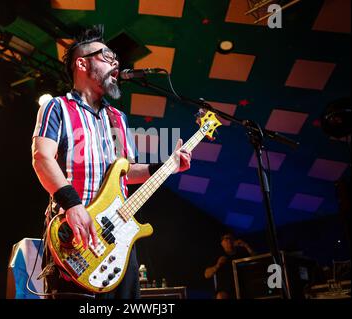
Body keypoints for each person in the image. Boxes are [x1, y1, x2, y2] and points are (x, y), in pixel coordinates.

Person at [31, 25, 192, 299]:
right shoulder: (57, 107)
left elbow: (126, 173)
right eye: (106, 56)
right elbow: (42, 157)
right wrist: (72, 204)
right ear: (82, 63)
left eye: (116, 59)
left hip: (117, 237)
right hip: (75, 234)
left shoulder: (117, 118)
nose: (116, 62)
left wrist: (167, 165)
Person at [204, 232, 255, 299]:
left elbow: (256, 259)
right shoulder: (218, 256)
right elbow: (206, 275)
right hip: (225, 292)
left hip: (242, 289)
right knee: (221, 296)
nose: (229, 240)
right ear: (222, 243)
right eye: (226, 239)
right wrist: (217, 265)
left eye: (231, 238)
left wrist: (246, 245)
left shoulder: (241, 254)